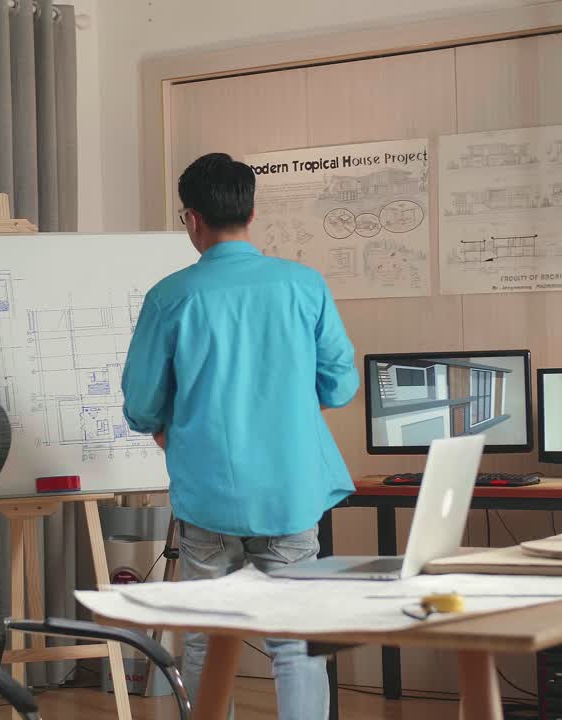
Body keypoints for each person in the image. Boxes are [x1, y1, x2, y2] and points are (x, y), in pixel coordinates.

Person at [121, 153, 359, 720]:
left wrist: (167, 427)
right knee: (295, 636)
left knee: (207, 634)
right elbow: (340, 385)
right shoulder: (304, 285)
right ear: (251, 212)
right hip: (290, 489)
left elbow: (141, 403)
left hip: (209, 493)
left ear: (191, 219)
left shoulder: (170, 296)